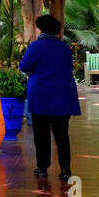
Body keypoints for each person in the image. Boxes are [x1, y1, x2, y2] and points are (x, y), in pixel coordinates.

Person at [19, 14, 81, 180]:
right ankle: (65, 169)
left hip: (41, 96)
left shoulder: (35, 47)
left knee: (41, 135)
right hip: (62, 96)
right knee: (62, 135)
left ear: (40, 29)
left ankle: (42, 167)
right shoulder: (64, 48)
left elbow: (24, 66)